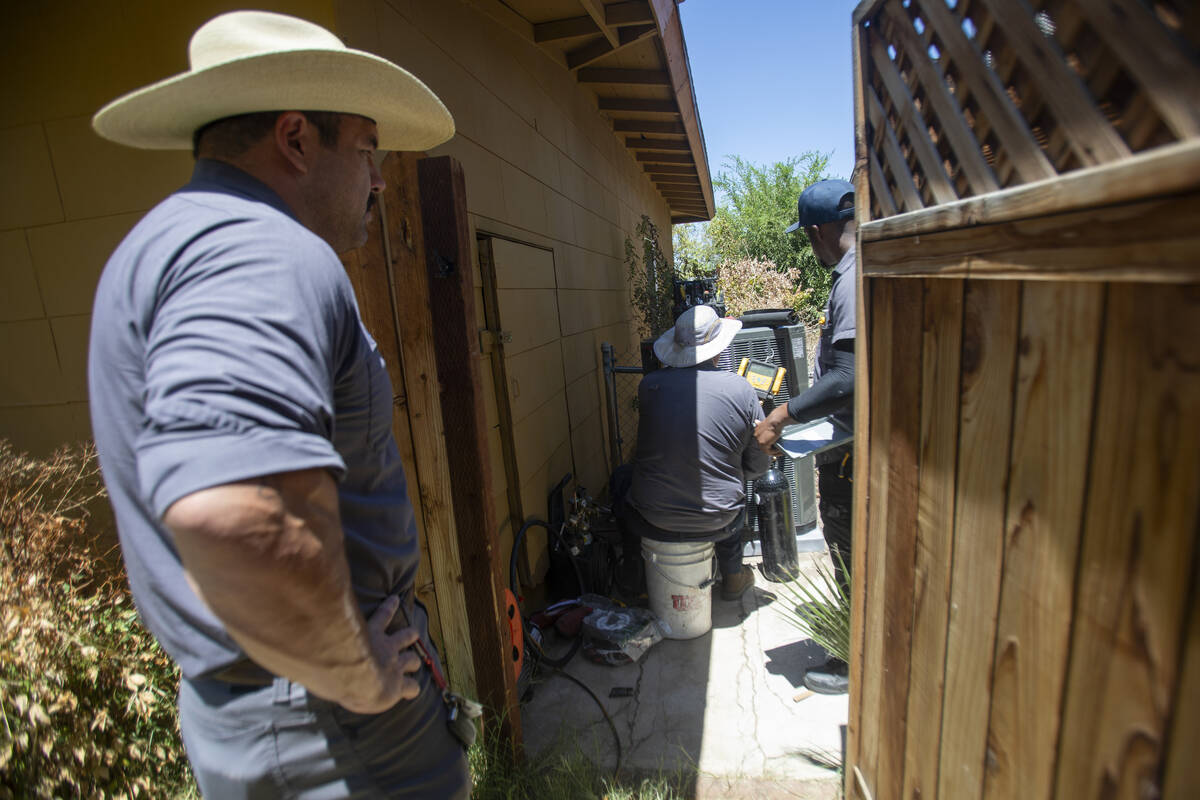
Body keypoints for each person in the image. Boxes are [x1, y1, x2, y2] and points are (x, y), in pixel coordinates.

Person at [86, 11, 470, 798]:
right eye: (368, 149)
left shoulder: (167, 242)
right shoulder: (258, 247)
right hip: (331, 734)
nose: (381, 178)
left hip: (276, 720)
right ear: (296, 138)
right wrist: (357, 677)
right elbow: (236, 510)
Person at [755, 179, 857, 695]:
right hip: (851, 442)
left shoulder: (852, 278)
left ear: (818, 232)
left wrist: (780, 416)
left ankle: (848, 661)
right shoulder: (862, 269)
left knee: (848, 554)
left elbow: (846, 379)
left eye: (808, 238)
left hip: (852, 455)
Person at [622, 305, 770, 601]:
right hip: (720, 519)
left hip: (652, 518)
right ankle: (732, 576)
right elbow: (757, 465)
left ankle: (636, 581)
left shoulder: (649, 386)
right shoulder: (742, 389)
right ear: (718, 348)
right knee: (733, 487)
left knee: (619, 481)